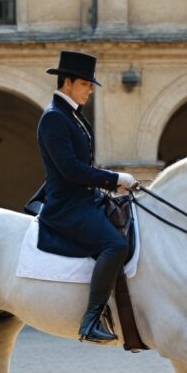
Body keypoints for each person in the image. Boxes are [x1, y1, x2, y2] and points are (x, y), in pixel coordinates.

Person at [27, 50, 137, 344]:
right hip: (67, 206)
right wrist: (114, 178)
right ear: (68, 82)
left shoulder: (72, 115)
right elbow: (71, 169)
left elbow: (83, 165)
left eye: (90, 85)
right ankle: (91, 320)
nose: (90, 90)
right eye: (86, 84)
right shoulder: (54, 117)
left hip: (86, 198)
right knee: (115, 244)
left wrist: (110, 187)